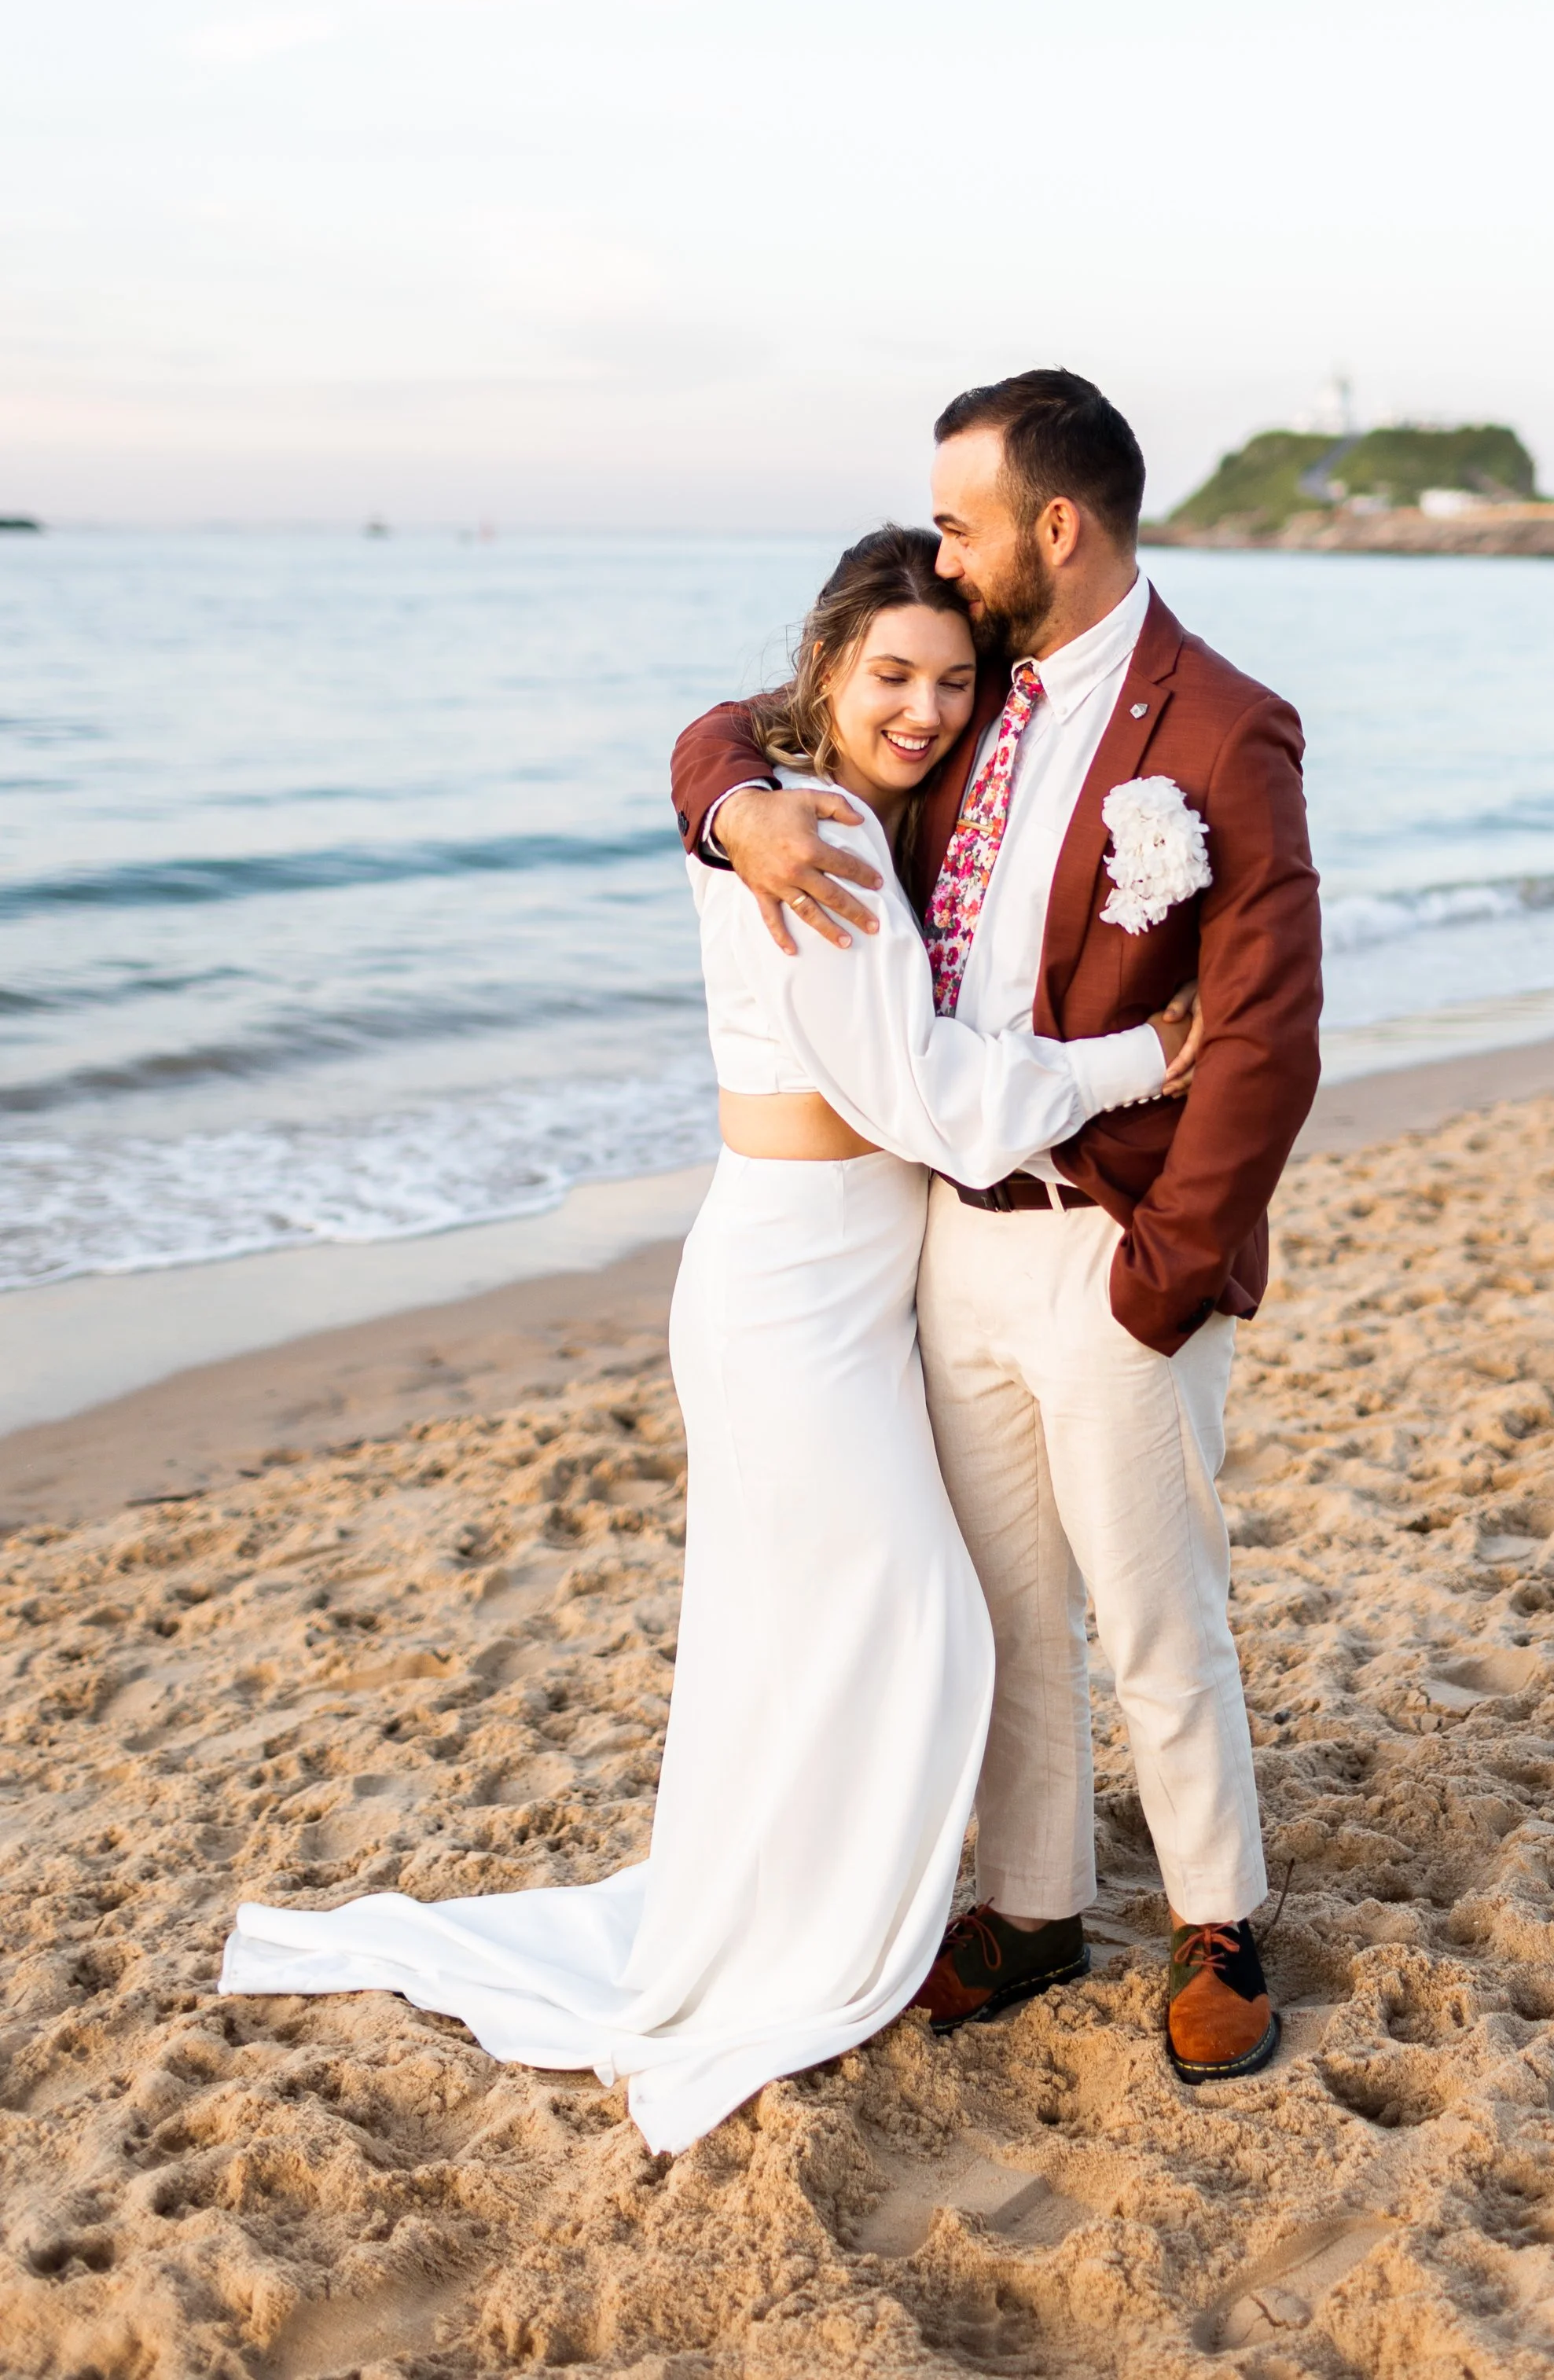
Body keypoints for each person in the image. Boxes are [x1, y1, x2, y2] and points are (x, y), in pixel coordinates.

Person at [220, 526, 1200, 2157]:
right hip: (789, 1290)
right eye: (891, 675)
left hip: (842, 1275)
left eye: (954, 686)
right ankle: (804, 1944)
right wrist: (1132, 1063)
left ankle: (802, 1908)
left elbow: (892, 1012)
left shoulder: (846, 812)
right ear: (821, 667)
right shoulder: (808, 827)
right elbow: (925, 1100)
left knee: (806, 1622)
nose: (923, 711)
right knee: (914, 1612)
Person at [671, 369, 1323, 2084]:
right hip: (950, 1238)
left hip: (1110, 1249)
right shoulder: (960, 704)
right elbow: (757, 724)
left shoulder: (1218, 724)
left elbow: (1262, 1031)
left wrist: (1166, 1271)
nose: (944, 562)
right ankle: (1032, 1908)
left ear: (1054, 526)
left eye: (962, 525)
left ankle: (1214, 1921)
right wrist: (729, 802)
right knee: (1002, 1606)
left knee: (1154, 1603)